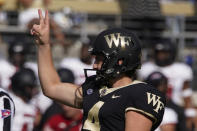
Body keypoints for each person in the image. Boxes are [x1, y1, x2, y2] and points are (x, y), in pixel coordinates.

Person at [31, 9, 166, 131]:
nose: (95, 65)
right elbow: (51, 88)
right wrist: (44, 44)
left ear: (120, 61)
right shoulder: (96, 88)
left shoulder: (141, 94)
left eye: (100, 59)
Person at [138, 40, 196, 130]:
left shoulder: (182, 69)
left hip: (175, 105)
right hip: (151, 104)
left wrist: (190, 114)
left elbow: (186, 93)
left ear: (171, 53)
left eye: (164, 53)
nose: (161, 56)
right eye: (159, 53)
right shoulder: (146, 68)